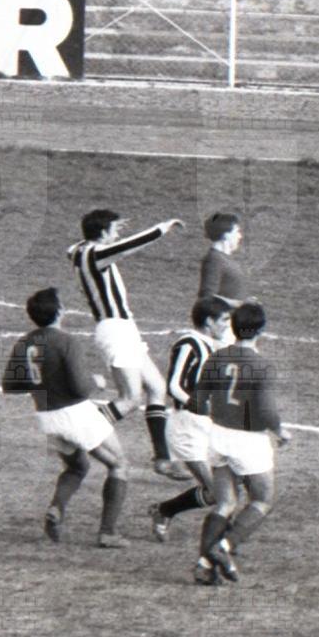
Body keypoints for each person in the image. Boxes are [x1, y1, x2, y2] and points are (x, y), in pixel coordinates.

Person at [1, 287, 133, 546]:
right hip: (76, 414)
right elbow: (80, 388)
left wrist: (43, 382)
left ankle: (56, 508)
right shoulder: (66, 341)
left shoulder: (24, 343)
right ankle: (108, 532)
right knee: (120, 465)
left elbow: (10, 385)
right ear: (59, 311)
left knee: (77, 467)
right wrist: (96, 381)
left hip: (48, 418)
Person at [67, 209, 187, 477]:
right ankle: (80, 433)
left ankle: (162, 459)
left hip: (123, 329)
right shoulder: (96, 255)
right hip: (115, 331)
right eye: (114, 229)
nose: (117, 234)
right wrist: (162, 227)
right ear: (102, 233)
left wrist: (106, 227)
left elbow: (75, 247)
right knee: (130, 398)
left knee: (157, 388)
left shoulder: (77, 251)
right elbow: (129, 246)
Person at [192, 302, 292, 585]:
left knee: (225, 503)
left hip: (218, 436)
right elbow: (267, 410)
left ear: (233, 328)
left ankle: (203, 566)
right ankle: (223, 547)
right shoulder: (261, 365)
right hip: (248, 441)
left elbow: (198, 400)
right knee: (261, 500)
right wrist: (280, 431)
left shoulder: (217, 358)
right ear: (261, 330)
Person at [148, 297, 234, 543]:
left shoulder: (212, 346)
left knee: (226, 487)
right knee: (220, 493)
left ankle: (165, 510)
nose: (227, 325)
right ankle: (222, 543)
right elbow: (174, 385)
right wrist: (200, 405)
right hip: (187, 427)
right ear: (208, 321)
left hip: (207, 425)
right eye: (223, 320)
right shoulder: (189, 343)